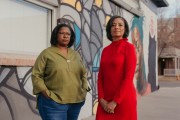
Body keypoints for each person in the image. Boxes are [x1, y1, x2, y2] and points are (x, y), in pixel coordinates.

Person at [31, 23, 90, 120]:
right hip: (53, 103)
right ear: (56, 35)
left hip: (75, 102)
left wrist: (84, 89)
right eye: (62, 33)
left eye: (68, 34)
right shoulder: (46, 53)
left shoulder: (75, 54)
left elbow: (83, 72)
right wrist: (45, 93)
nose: (65, 36)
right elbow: (36, 75)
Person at [96, 16, 137, 120]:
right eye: (113, 25)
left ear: (125, 29)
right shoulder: (105, 50)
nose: (116, 27)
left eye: (120, 25)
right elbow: (100, 76)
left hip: (123, 101)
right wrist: (101, 99)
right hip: (104, 101)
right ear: (109, 29)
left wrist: (115, 102)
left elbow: (128, 78)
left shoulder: (129, 48)